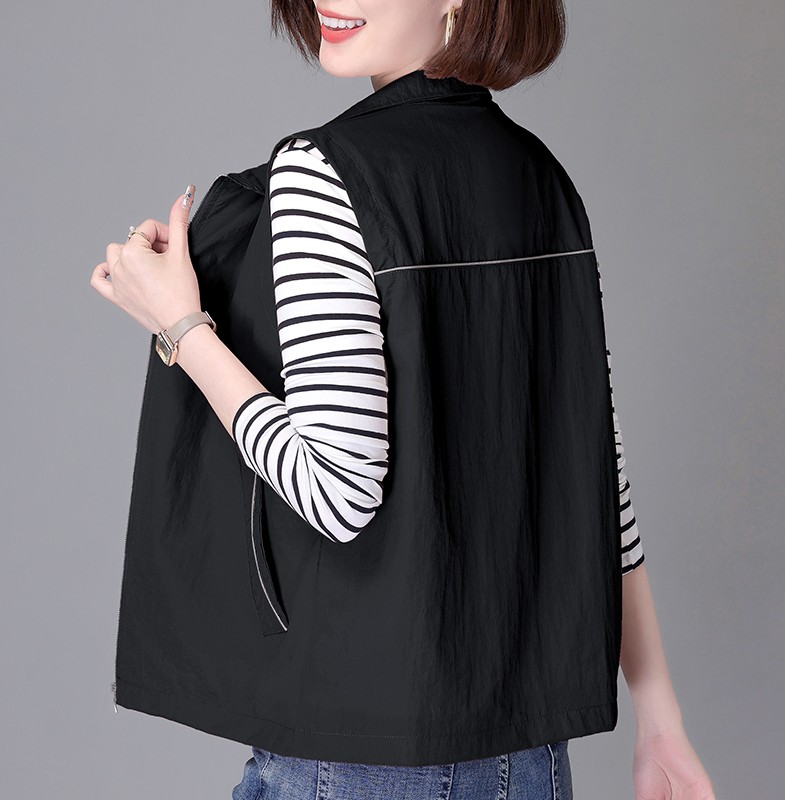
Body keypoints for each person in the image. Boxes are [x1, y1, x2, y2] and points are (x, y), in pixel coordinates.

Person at [91, 1, 717, 798]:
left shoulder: (323, 173)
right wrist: (660, 718)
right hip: (528, 759)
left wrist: (180, 325)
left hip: (355, 758)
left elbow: (337, 490)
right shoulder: (543, 177)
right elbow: (597, 471)